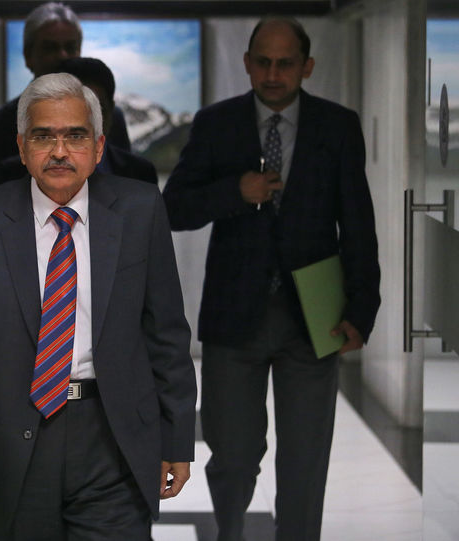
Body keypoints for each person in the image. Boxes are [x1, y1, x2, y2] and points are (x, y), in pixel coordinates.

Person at [0, 73, 197, 540]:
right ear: (21, 145)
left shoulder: (139, 209)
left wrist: (176, 438)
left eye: (75, 136)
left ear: (97, 147)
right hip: (15, 437)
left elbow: (166, 331)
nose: (59, 151)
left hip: (111, 433)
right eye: (43, 136)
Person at [162, 17, 381, 541]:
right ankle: (230, 533)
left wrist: (361, 310)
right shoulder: (217, 124)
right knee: (233, 456)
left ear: (307, 66)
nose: (273, 74)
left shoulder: (337, 126)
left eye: (286, 63)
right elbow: (173, 208)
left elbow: (358, 223)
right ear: (247, 63)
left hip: (316, 316)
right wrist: (234, 193)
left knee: (306, 461)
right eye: (263, 61)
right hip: (233, 318)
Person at [0, 2, 131, 187]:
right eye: (50, 48)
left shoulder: (109, 115)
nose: (63, 56)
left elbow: (124, 178)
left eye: (70, 48)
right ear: (28, 56)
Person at [0, 57, 158, 185]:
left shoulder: (140, 173)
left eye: (98, 109)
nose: (84, 123)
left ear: (111, 111)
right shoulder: (10, 174)